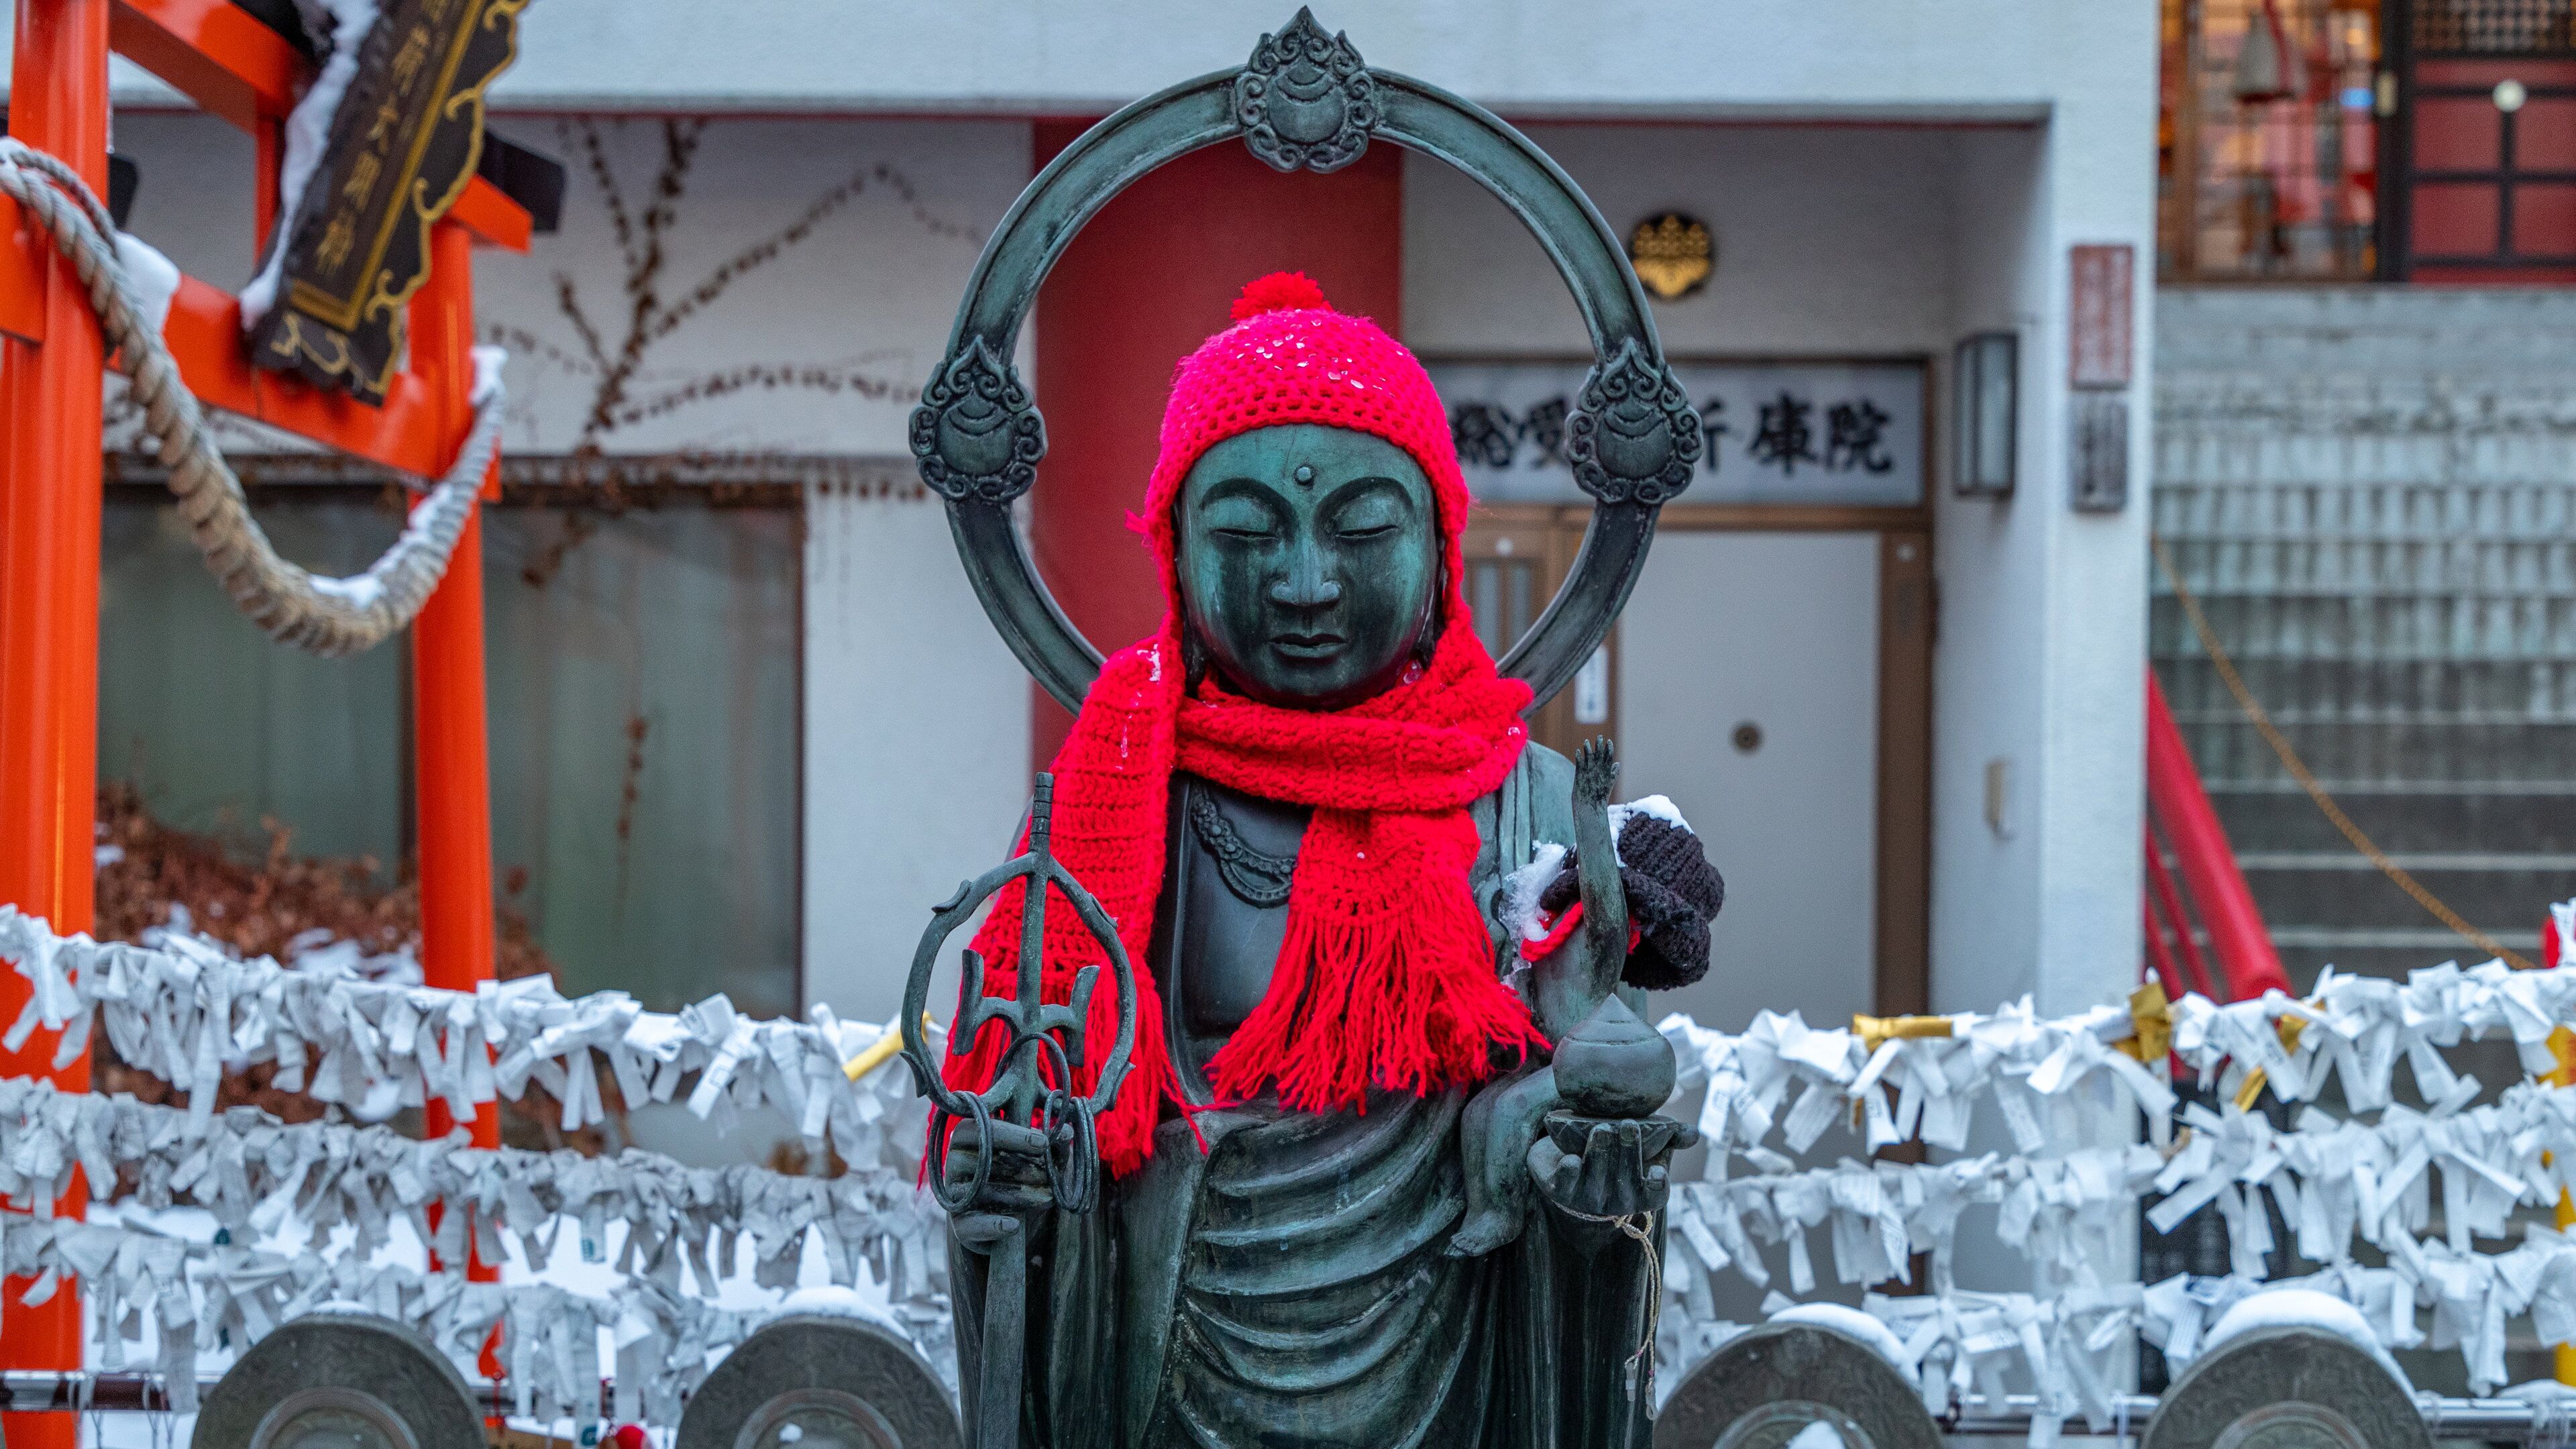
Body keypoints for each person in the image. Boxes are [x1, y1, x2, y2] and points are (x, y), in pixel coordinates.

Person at [937, 272, 1720, 1449]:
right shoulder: (1116, 803)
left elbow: (1617, 1079)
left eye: (1360, 532)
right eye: (1246, 535)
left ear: (1440, 549)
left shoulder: (1528, 804)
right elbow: (1014, 1105)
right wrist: (1011, 1165)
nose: (1305, 583)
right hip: (1173, 1345)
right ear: (1177, 555)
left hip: (1455, 1349)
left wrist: (1579, 1145)